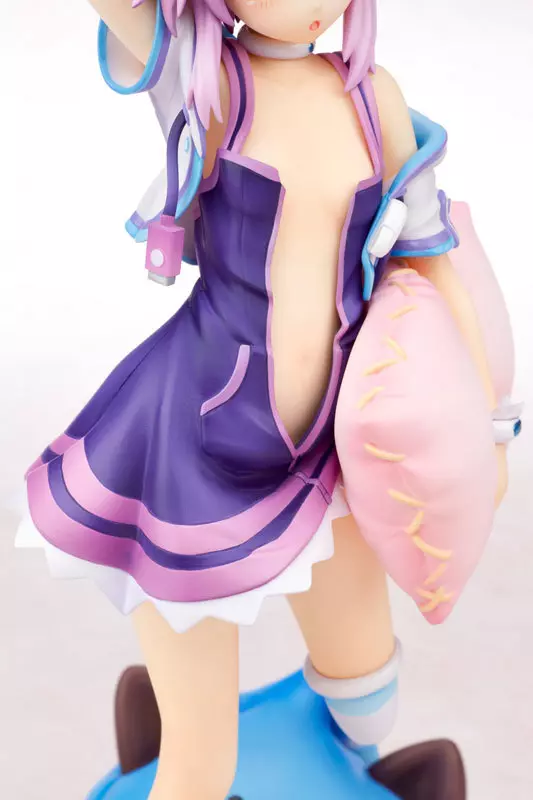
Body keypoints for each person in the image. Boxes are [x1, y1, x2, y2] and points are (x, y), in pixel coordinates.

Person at [16, 2, 507, 798]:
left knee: (365, 686)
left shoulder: (371, 96)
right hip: (192, 453)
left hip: (326, 447)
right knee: (198, 764)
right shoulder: (207, 80)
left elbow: (428, 267)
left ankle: (322, 759)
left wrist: (487, 427)